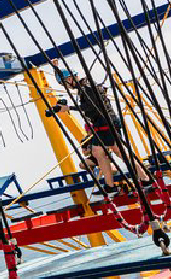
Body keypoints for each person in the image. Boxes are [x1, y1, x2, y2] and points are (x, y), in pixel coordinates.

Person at [51, 62, 151, 199]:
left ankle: (143, 179)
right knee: (102, 152)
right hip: (103, 124)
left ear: (70, 79)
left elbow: (90, 108)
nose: (66, 87)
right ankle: (114, 185)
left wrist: (68, 108)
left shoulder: (87, 88)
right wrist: (55, 67)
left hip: (106, 124)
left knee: (119, 152)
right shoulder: (85, 88)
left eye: (65, 83)